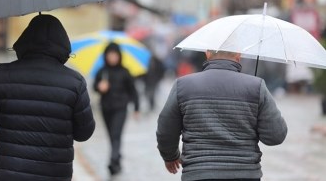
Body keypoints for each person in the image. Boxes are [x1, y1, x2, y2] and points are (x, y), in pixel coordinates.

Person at [0, 14, 96, 181]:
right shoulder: (74, 82)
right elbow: (84, 133)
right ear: (63, 44)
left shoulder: (2, 74)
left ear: (24, 41)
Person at [156, 50, 288, 181]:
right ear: (238, 55)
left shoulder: (183, 85)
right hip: (245, 174)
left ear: (207, 54)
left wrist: (170, 156)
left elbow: (165, 130)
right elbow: (275, 136)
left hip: (198, 173)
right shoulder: (256, 86)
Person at [93, 42, 139, 175]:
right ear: (106, 56)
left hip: (121, 108)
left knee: (116, 134)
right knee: (111, 136)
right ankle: (117, 159)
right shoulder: (102, 71)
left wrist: (136, 108)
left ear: (119, 56)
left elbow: (133, 91)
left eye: (115, 54)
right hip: (106, 108)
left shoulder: (125, 71)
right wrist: (99, 87)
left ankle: (113, 160)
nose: (112, 57)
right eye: (110, 54)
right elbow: (94, 87)